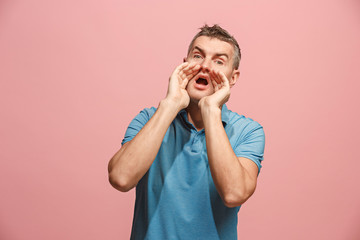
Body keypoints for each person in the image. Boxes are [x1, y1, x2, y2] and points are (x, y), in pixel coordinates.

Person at [108, 24, 265, 240]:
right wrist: (171, 104)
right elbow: (120, 178)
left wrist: (211, 110)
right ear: (184, 64)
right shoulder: (149, 119)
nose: (205, 66)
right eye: (197, 56)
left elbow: (234, 194)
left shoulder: (248, 131)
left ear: (233, 77)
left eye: (219, 61)